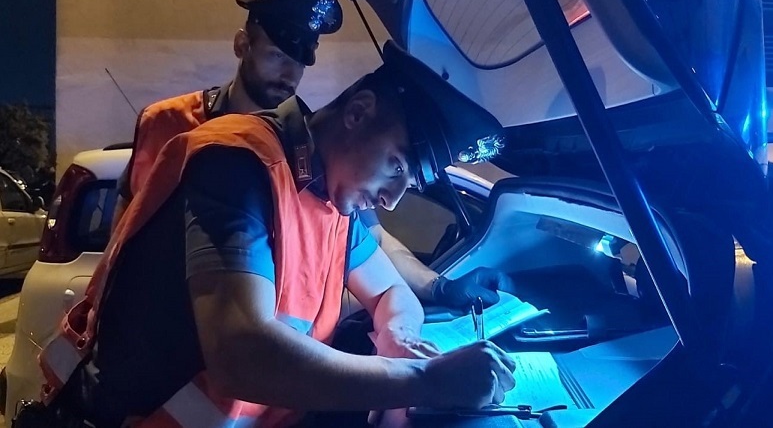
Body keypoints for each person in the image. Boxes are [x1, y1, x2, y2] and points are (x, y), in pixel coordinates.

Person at [38, 40, 514, 427]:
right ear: (358, 112)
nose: (392, 199)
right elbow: (241, 354)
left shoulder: (329, 197)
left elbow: (392, 291)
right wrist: (425, 379)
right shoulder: (237, 167)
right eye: (396, 167)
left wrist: (398, 336)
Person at [113, 0, 510, 313]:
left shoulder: (313, 155)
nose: (288, 76)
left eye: (299, 65)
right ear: (242, 45)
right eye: (277, 56)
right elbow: (128, 217)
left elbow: (370, 238)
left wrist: (438, 287)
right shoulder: (168, 121)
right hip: (163, 324)